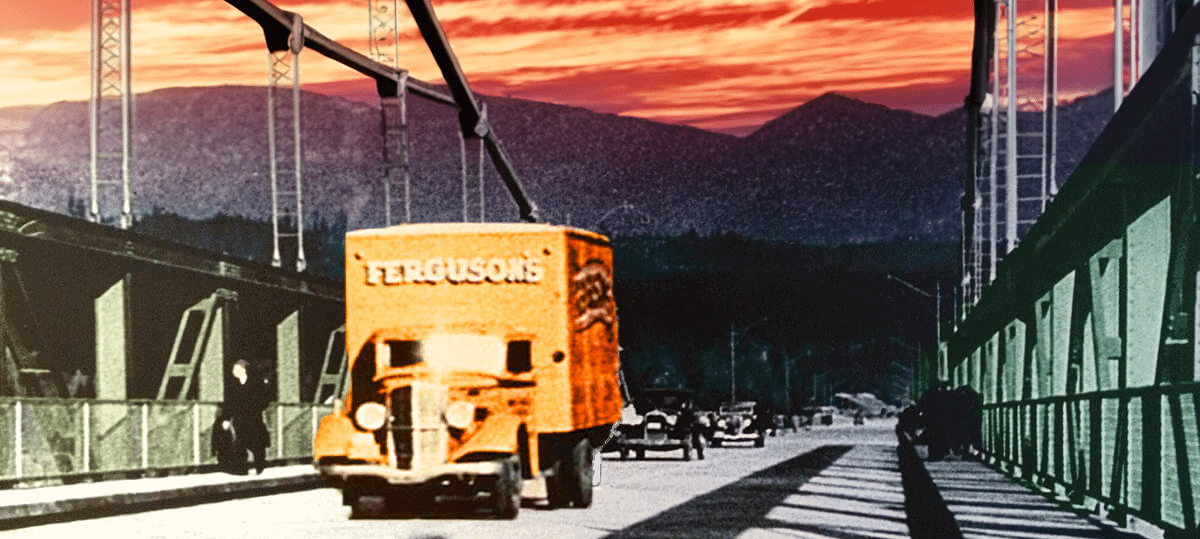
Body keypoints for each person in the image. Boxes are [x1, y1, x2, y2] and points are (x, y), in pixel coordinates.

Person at [216, 359, 270, 475]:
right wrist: (225, 418)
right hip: (239, 419)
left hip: (254, 418)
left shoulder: (256, 383)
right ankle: (242, 469)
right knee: (239, 443)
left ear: (243, 370)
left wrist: (256, 407)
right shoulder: (232, 385)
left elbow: (264, 400)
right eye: (233, 369)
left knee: (256, 443)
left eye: (236, 369)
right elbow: (228, 404)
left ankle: (259, 466)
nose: (233, 371)